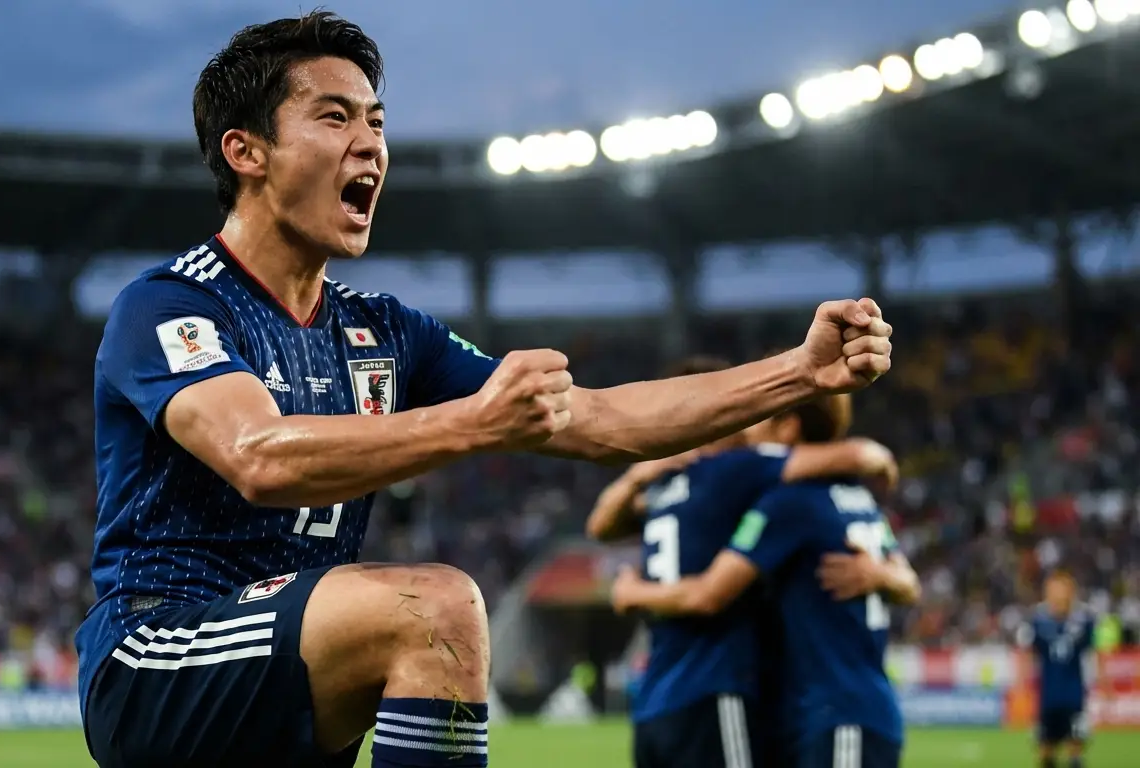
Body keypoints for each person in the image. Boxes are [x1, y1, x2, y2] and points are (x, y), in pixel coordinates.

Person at [75, 11, 894, 768]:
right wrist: (473, 422)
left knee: (432, 613)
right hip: (159, 657)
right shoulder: (171, 307)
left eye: (377, 123)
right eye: (335, 117)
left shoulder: (385, 333)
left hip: (287, 672)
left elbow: (604, 419)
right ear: (245, 151)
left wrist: (799, 372)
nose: (370, 146)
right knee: (435, 609)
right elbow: (259, 457)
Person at [591, 356, 898, 768]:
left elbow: (601, 527)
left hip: (661, 698)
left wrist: (636, 479)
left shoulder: (670, 485)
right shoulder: (739, 473)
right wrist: (880, 459)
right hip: (718, 687)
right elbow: (855, 456)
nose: (747, 419)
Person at [1020, 570, 1095, 768]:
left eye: (1061, 589)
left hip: (1075, 694)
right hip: (1048, 695)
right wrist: (1023, 683)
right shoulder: (1037, 620)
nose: (1057, 594)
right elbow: (1028, 653)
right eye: (1053, 590)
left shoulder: (1084, 620)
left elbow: (1094, 652)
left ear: (1071, 592)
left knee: (1075, 749)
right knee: (1046, 750)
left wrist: (1104, 684)